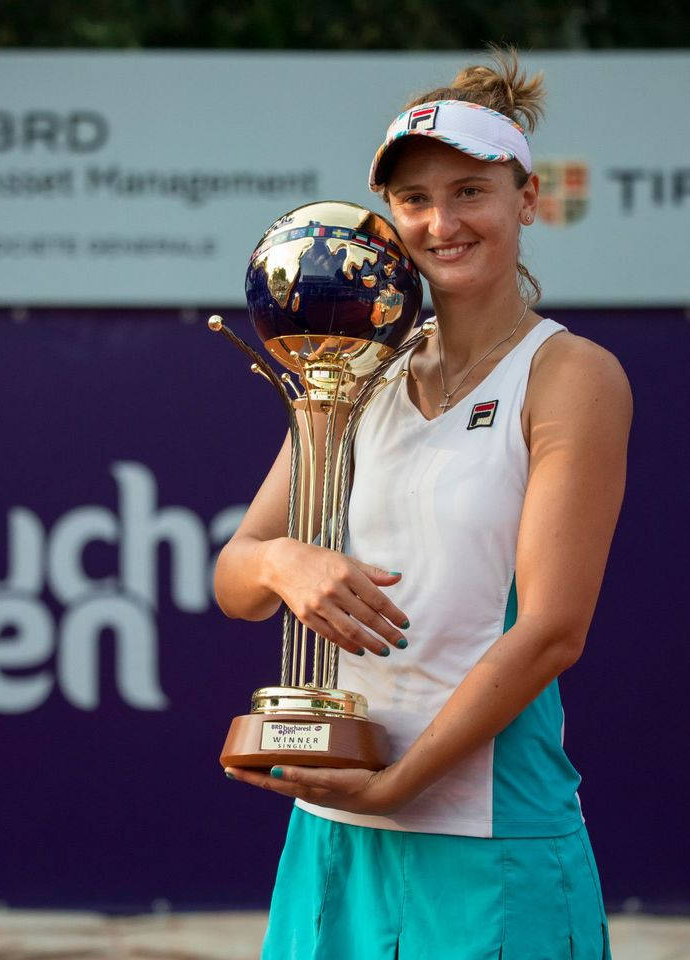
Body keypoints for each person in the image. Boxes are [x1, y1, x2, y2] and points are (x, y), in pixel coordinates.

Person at [215, 47, 631, 959]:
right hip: (336, 829)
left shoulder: (571, 376)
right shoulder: (360, 369)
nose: (441, 222)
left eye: (469, 191)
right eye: (414, 200)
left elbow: (554, 629)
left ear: (527, 199)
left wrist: (402, 785)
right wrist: (290, 562)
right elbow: (236, 576)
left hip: (489, 841)